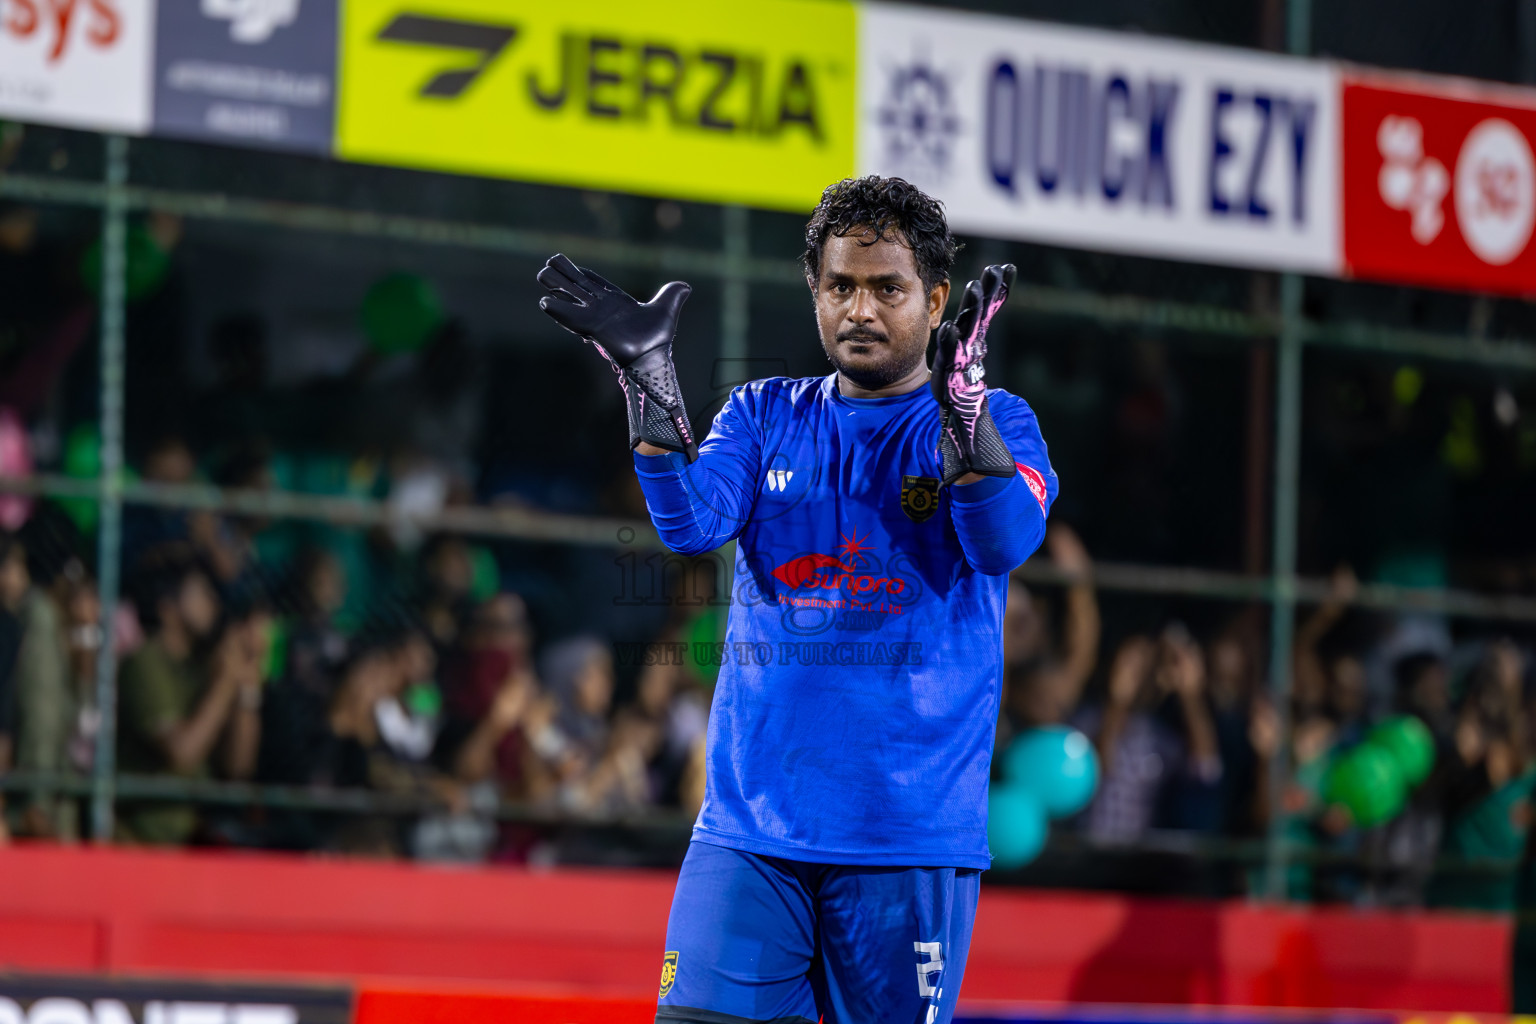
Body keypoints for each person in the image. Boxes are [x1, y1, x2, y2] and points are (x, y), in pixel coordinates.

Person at [536, 175, 1056, 1024]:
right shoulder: (763, 413)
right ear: (815, 293)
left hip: (905, 843)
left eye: (887, 288)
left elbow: (1001, 540)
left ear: (934, 299)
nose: (860, 308)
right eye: (839, 286)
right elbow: (689, 523)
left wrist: (964, 422)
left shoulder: (1001, 423)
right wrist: (647, 379)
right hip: (749, 831)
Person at [116, 556, 262, 845]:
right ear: (168, 608)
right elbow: (182, 753)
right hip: (142, 841)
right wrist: (226, 682)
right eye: (199, 592)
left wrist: (246, 686)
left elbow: (239, 766)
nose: (212, 601)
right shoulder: (145, 662)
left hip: (193, 839)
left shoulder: (204, 666)